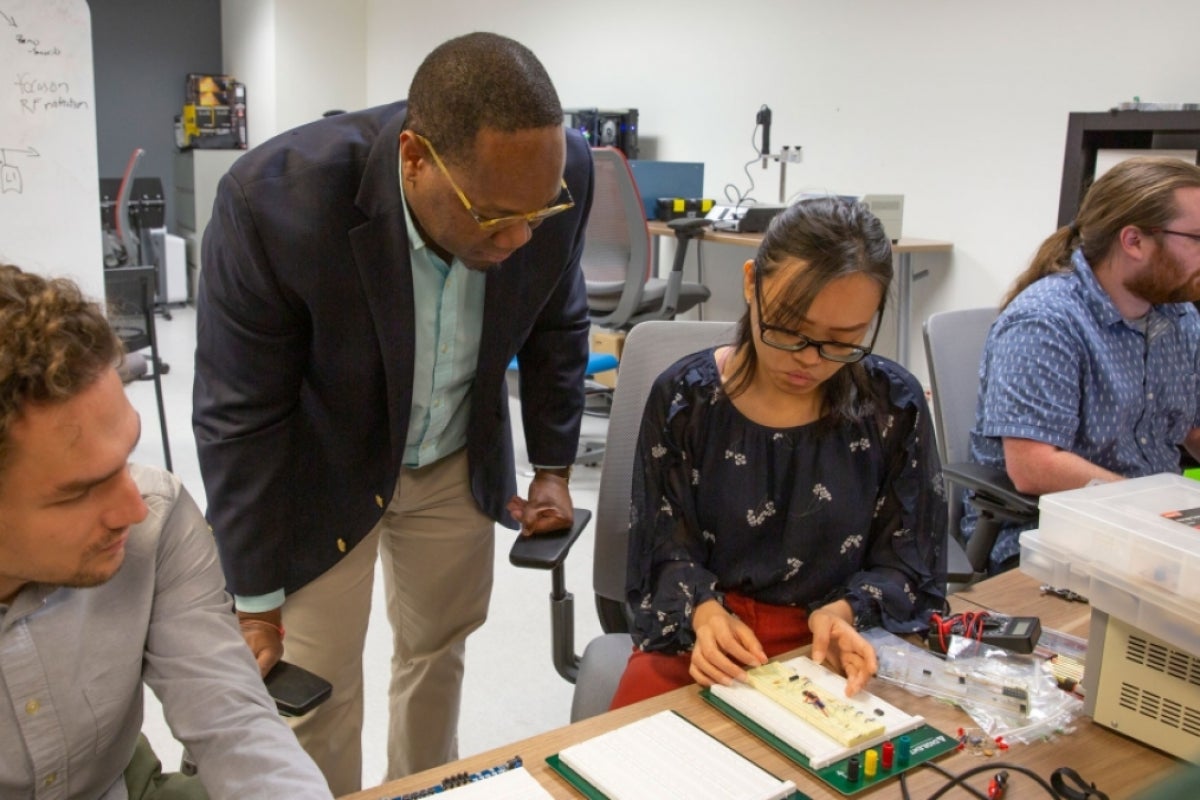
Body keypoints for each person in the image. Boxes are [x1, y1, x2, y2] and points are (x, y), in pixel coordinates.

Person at [192, 32, 592, 793]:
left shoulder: (553, 176)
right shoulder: (274, 202)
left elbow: (556, 322)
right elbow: (239, 414)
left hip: (452, 455)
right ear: (415, 157)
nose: (518, 238)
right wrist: (252, 596)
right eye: (494, 216)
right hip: (325, 464)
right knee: (317, 687)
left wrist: (551, 468)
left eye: (535, 215)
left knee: (439, 648)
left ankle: (422, 788)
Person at [0, 264, 332, 800]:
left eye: (126, 459)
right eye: (79, 490)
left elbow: (233, 722)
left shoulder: (155, 519)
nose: (133, 508)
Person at [609, 197, 948, 708]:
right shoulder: (686, 401)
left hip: (834, 646)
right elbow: (664, 547)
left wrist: (843, 613)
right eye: (788, 329)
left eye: (844, 339)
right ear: (751, 283)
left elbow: (908, 561)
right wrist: (703, 614)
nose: (809, 360)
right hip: (706, 641)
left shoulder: (891, 406)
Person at [967, 156, 1200, 573]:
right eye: (1197, 238)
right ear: (1134, 242)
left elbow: (1190, 428)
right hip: (1055, 537)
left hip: (1152, 532)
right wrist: (1154, 510)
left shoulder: (1179, 316)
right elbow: (1033, 467)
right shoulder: (1046, 321)